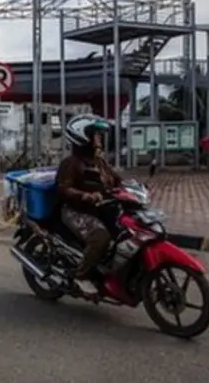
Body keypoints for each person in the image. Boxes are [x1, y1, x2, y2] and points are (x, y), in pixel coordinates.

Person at [56, 114, 122, 297]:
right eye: (96, 134)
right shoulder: (70, 163)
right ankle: (81, 276)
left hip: (101, 210)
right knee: (100, 237)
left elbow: (117, 181)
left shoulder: (99, 161)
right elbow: (63, 189)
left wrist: (136, 188)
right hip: (75, 210)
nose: (99, 138)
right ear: (82, 136)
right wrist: (85, 195)